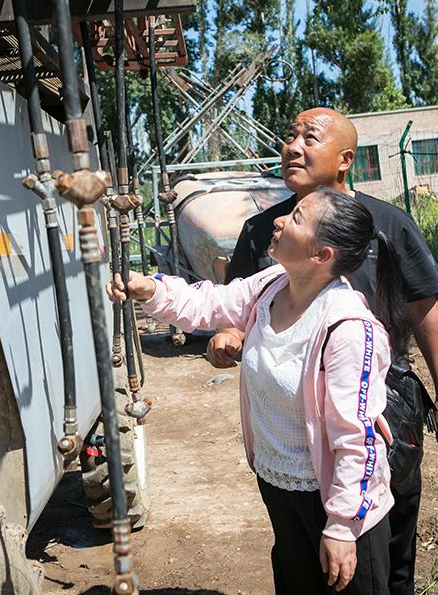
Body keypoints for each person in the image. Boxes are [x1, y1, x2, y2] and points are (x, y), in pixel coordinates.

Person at [212, 107, 438, 595]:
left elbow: (424, 311)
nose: (293, 146)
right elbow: (235, 306)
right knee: (300, 550)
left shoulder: (387, 224)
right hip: (297, 422)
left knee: (384, 549)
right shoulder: (264, 232)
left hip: (379, 411)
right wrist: (228, 335)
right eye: (290, 135)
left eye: (311, 137)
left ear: (345, 159)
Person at [108, 188, 410, 593]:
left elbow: (357, 439)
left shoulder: (347, 329)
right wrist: (150, 289)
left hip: (337, 500)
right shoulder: (271, 285)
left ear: (321, 256)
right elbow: (211, 303)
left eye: (297, 219)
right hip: (279, 484)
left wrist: (340, 527)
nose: (279, 221)